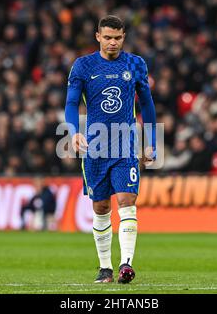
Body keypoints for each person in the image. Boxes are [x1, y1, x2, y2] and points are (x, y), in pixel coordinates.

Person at [64, 15, 156, 284]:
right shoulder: (82, 66)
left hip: (125, 145)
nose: (112, 42)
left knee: (127, 201)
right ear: (98, 37)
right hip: (95, 146)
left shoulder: (136, 64)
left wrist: (151, 140)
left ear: (123, 37)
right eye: (107, 37)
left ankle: (126, 264)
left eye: (117, 37)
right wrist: (74, 132)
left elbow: (147, 105)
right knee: (101, 207)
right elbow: (71, 103)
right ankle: (105, 268)